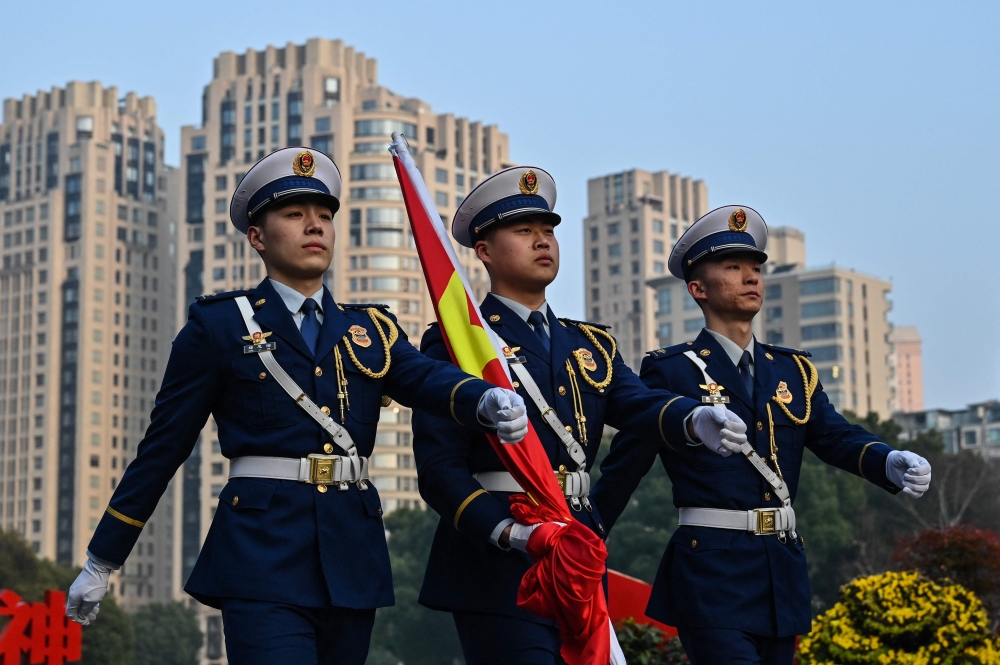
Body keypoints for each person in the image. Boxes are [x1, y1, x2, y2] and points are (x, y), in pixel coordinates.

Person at [63, 147, 530, 665]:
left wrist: (484, 398)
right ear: (257, 237)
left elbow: (425, 377)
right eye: (295, 214)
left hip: (351, 552)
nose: (315, 226)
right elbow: (162, 448)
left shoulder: (371, 329)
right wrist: (103, 559)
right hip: (260, 556)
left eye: (325, 216)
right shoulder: (218, 327)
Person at [410, 167, 749, 665]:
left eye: (548, 231)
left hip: (577, 550)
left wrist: (691, 418)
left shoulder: (590, 344)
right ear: (483, 251)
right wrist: (508, 533)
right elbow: (440, 472)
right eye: (524, 231)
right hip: (500, 561)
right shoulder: (458, 342)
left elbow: (637, 403)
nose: (542, 242)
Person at [591, 205, 933, 665]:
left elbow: (834, 436)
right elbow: (625, 466)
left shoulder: (792, 369)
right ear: (698, 289)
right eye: (733, 267)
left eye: (755, 267)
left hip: (780, 573)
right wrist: (587, 539)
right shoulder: (670, 371)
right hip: (711, 574)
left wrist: (886, 459)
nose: (751, 277)